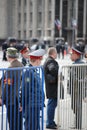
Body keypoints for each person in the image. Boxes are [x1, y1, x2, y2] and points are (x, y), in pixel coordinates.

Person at [0, 47, 24, 130]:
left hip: (12, 99)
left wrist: (2, 97)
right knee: (18, 121)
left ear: (8, 56)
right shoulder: (21, 65)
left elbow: (7, 85)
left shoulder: (10, 68)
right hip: (19, 97)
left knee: (12, 122)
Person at [23, 49, 45, 130]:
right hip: (31, 104)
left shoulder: (34, 70)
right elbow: (26, 88)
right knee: (30, 126)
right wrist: (22, 103)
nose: (41, 62)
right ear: (38, 60)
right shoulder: (29, 71)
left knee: (35, 126)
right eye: (40, 60)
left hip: (35, 103)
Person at [69, 43, 85, 129]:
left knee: (78, 108)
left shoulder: (81, 65)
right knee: (74, 107)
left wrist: (84, 93)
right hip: (73, 90)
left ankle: (78, 125)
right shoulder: (74, 64)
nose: (70, 56)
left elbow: (84, 80)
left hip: (77, 91)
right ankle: (76, 123)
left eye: (72, 54)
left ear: (76, 55)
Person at [43, 47, 59, 129]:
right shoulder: (50, 61)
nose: (57, 54)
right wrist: (58, 74)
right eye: (56, 53)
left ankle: (51, 121)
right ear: (53, 53)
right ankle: (49, 123)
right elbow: (52, 69)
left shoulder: (48, 60)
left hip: (51, 86)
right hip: (52, 87)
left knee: (52, 104)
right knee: (51, 105)